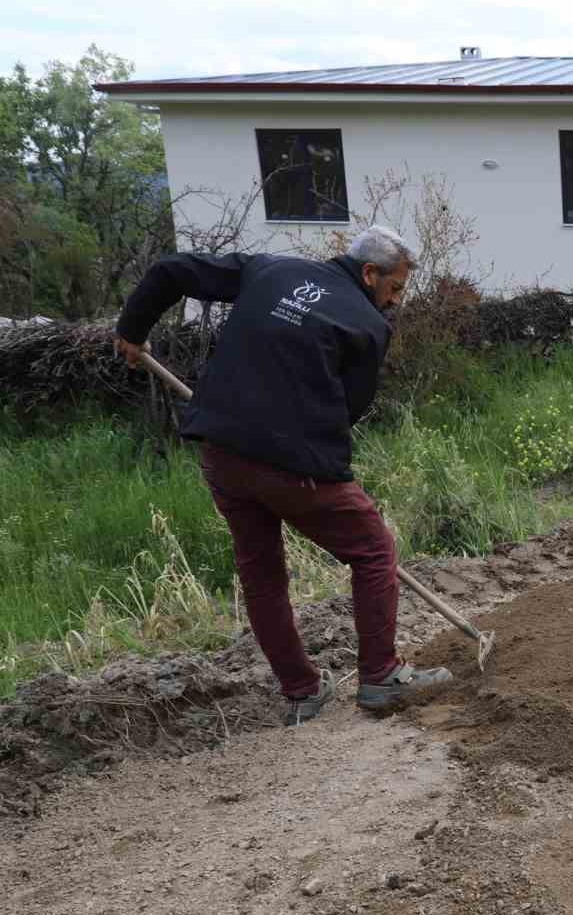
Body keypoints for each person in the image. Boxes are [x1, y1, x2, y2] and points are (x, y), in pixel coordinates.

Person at [113, 227, 453, 725]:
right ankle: (380, 677)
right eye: (395, 288)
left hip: (223, 450)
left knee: (261, 572)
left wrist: (133, 328)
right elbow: (351, 407)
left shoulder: (270, 269)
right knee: (373, 550)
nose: (396, 301)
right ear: (368, 273)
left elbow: (171, 270)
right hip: (295, 464)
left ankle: (301, 691)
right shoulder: (367, 325)